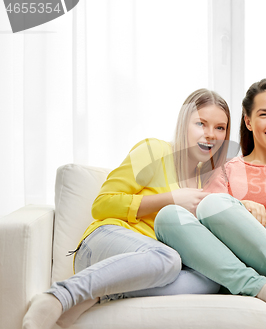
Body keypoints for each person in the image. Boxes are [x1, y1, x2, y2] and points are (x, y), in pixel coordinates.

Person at [22, 89, 231, 329]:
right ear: (184, 123)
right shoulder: (154, 150)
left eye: (220, 128)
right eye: (201, 124)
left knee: (209, 280)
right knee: (168, 259)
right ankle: (60, 295)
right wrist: (170, 198)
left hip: (142, 270)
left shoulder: (205, 183)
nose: (210, 135)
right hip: (103, 244)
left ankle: (99, 293)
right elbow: (101, 204)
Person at [154, 79, 266, 321]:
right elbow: (202, 226)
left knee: (213, 204)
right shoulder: (226, 170)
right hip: (239, 268)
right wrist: (243, 206)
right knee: (168, 216)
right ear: (248, 121)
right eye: (264, 114)